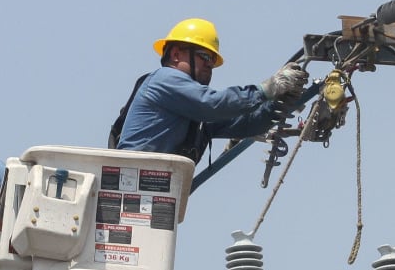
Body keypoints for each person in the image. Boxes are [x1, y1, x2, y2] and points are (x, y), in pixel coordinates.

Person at [111, 18, 308, 163]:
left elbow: (247, 124)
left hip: (154, 193)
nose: (210, 65)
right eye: (204, 56)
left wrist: (278, 103)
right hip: (133, 184)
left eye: (212, 60)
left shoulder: (192, 114)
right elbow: (213, 104)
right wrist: (268, 88)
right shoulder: (164, 80)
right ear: (176, 54)